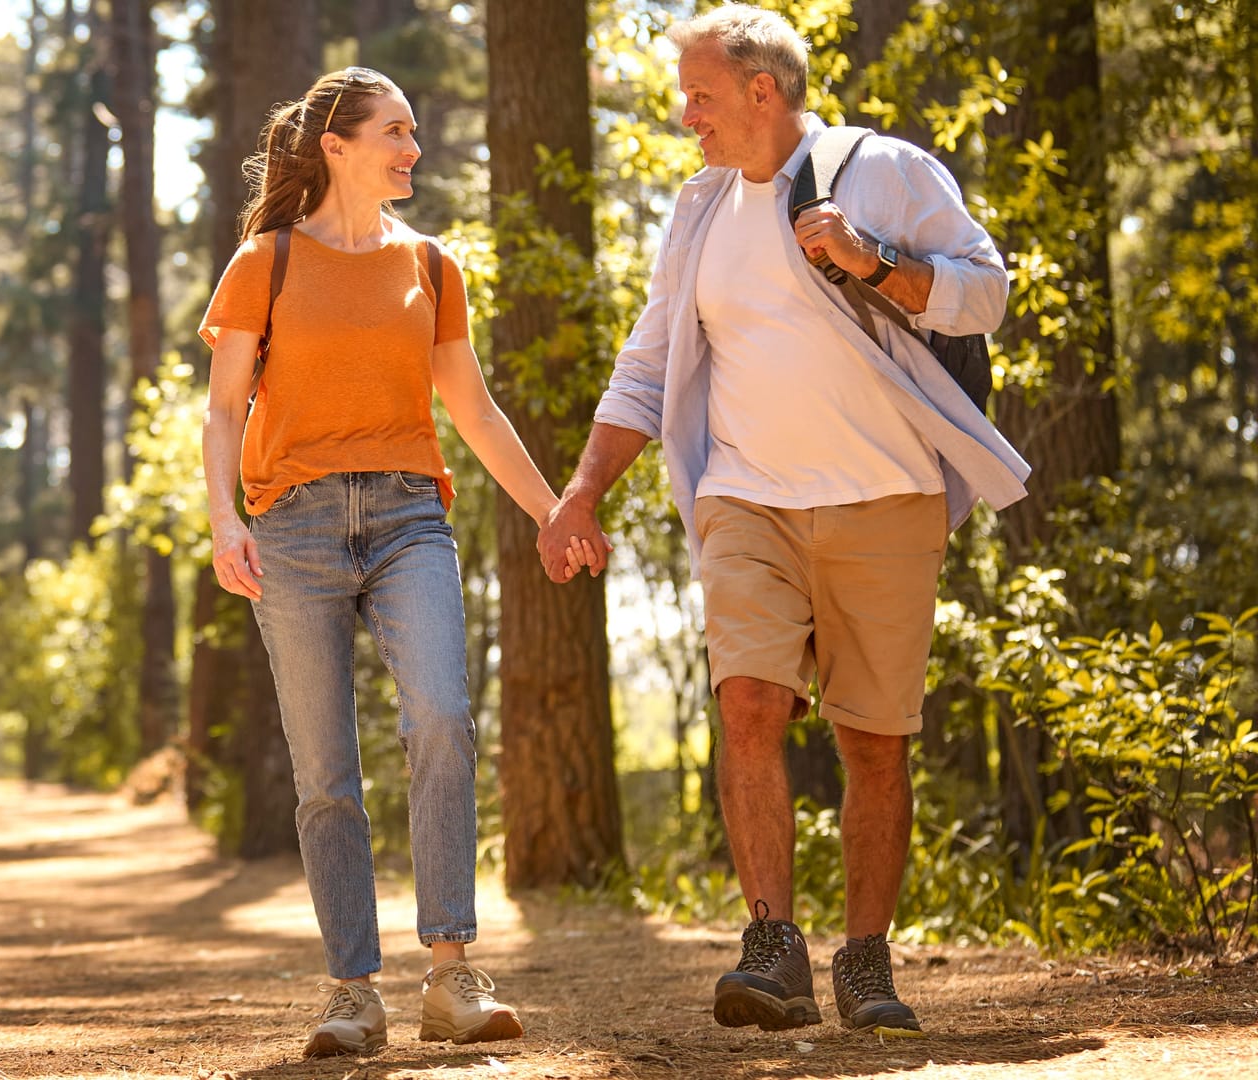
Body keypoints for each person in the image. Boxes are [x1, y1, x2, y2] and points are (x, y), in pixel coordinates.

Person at [537, 4, 1030, 1037]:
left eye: (701, 96)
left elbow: (986, 294)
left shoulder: (885, 171)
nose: (687, 117)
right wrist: (582, 492)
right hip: (747, 497)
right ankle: (771, 946)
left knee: (873, 742)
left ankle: (863, 958)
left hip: (884, 498)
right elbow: (651, 362)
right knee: (751, 705)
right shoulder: (701, 208)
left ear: (764, 91)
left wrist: (874, 261)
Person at [199, 66, 594, 1058]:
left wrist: (555, 510)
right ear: (335, 145)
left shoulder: (434, 265)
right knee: (326, 770)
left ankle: (453, 976)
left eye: (414, 132)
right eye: (395, 131)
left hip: (411, 513)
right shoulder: (267, 261)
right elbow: (221, 409)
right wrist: (222, 521)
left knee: (444, 719)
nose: (413, 148)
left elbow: (475, 410)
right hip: (290, 526)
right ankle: (352, 992)